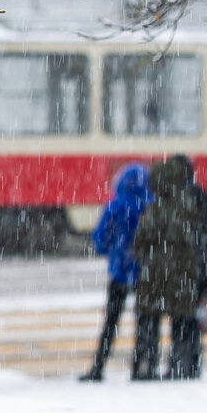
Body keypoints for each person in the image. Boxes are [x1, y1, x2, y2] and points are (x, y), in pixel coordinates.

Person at [78, 162, 151, 382]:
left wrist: (113, 251)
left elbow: (100, 239)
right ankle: (140, 368)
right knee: (144, 322)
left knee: (111, 322)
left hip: (119, 270)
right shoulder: (149, 205)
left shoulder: (115, 206)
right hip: (143, 272)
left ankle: (99, 367)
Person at [131, 159, 198, 381]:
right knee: (180, 322)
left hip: (154, 274)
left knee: (148, 322)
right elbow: (195, 241)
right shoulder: (188, 207)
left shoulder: (154, 210)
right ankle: (179, 366)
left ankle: (145, 366)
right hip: (181, 274)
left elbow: (141, 241)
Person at [168, 154, 207, 379]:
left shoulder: (170, 197)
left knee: (178, 318)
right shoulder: (202, 196)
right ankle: (194, 364)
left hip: (177, 266)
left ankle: (177, 363)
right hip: (200, 265)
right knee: (194, 318)